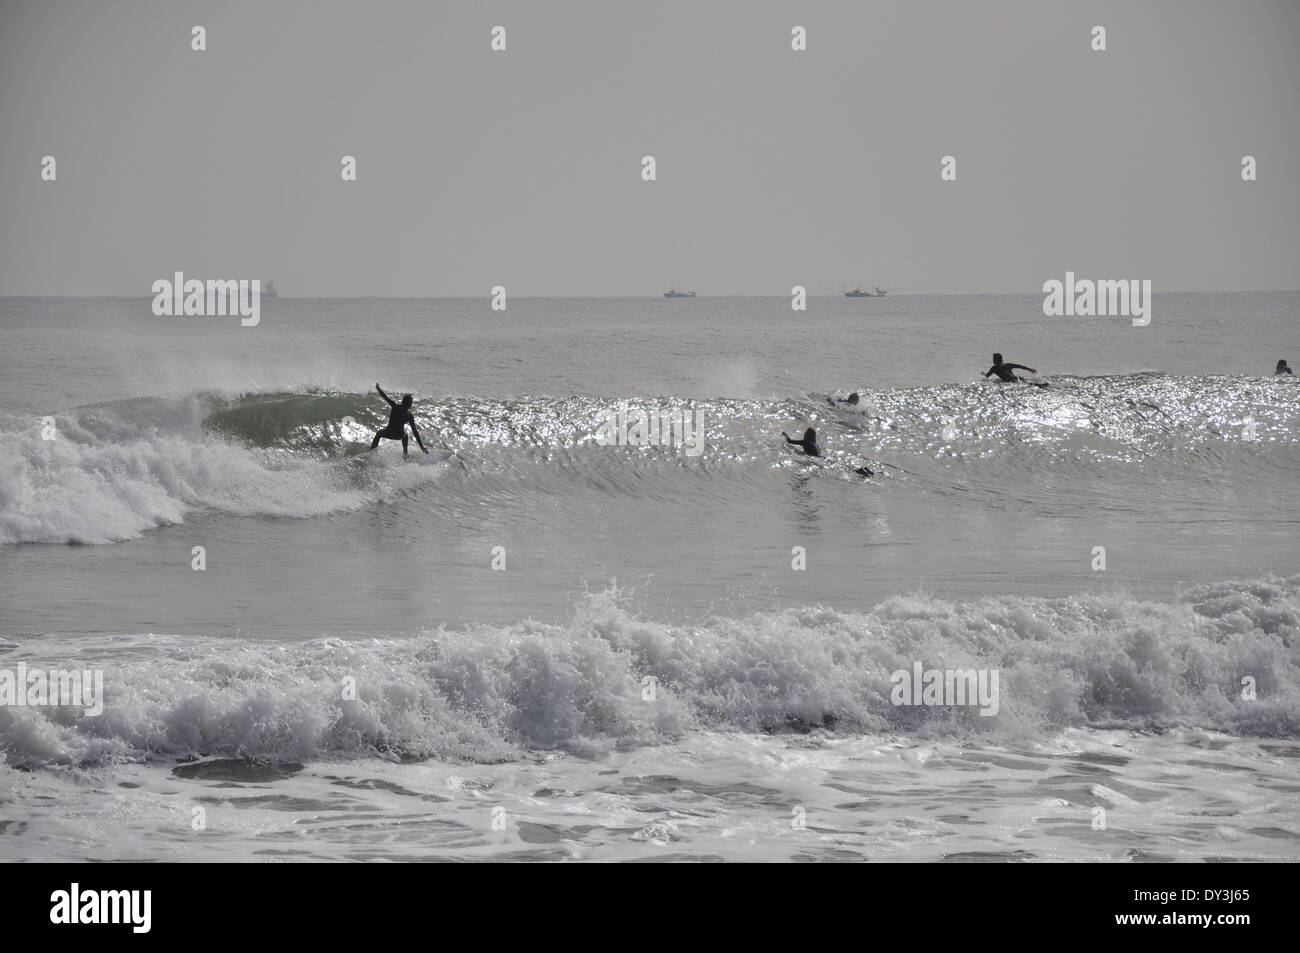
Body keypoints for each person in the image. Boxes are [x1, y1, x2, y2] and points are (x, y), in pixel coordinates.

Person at [371, 383, 428, 457]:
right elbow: (415, 432)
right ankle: (405, 454)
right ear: (409, 405)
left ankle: (372, 451)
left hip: (388, 432)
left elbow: (385, 397)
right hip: (399, 435)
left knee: (379, 433)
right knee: (405, 435)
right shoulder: (409, 416)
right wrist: (422, 447)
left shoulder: (394, 406)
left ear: (402, 402)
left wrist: (378, 389)